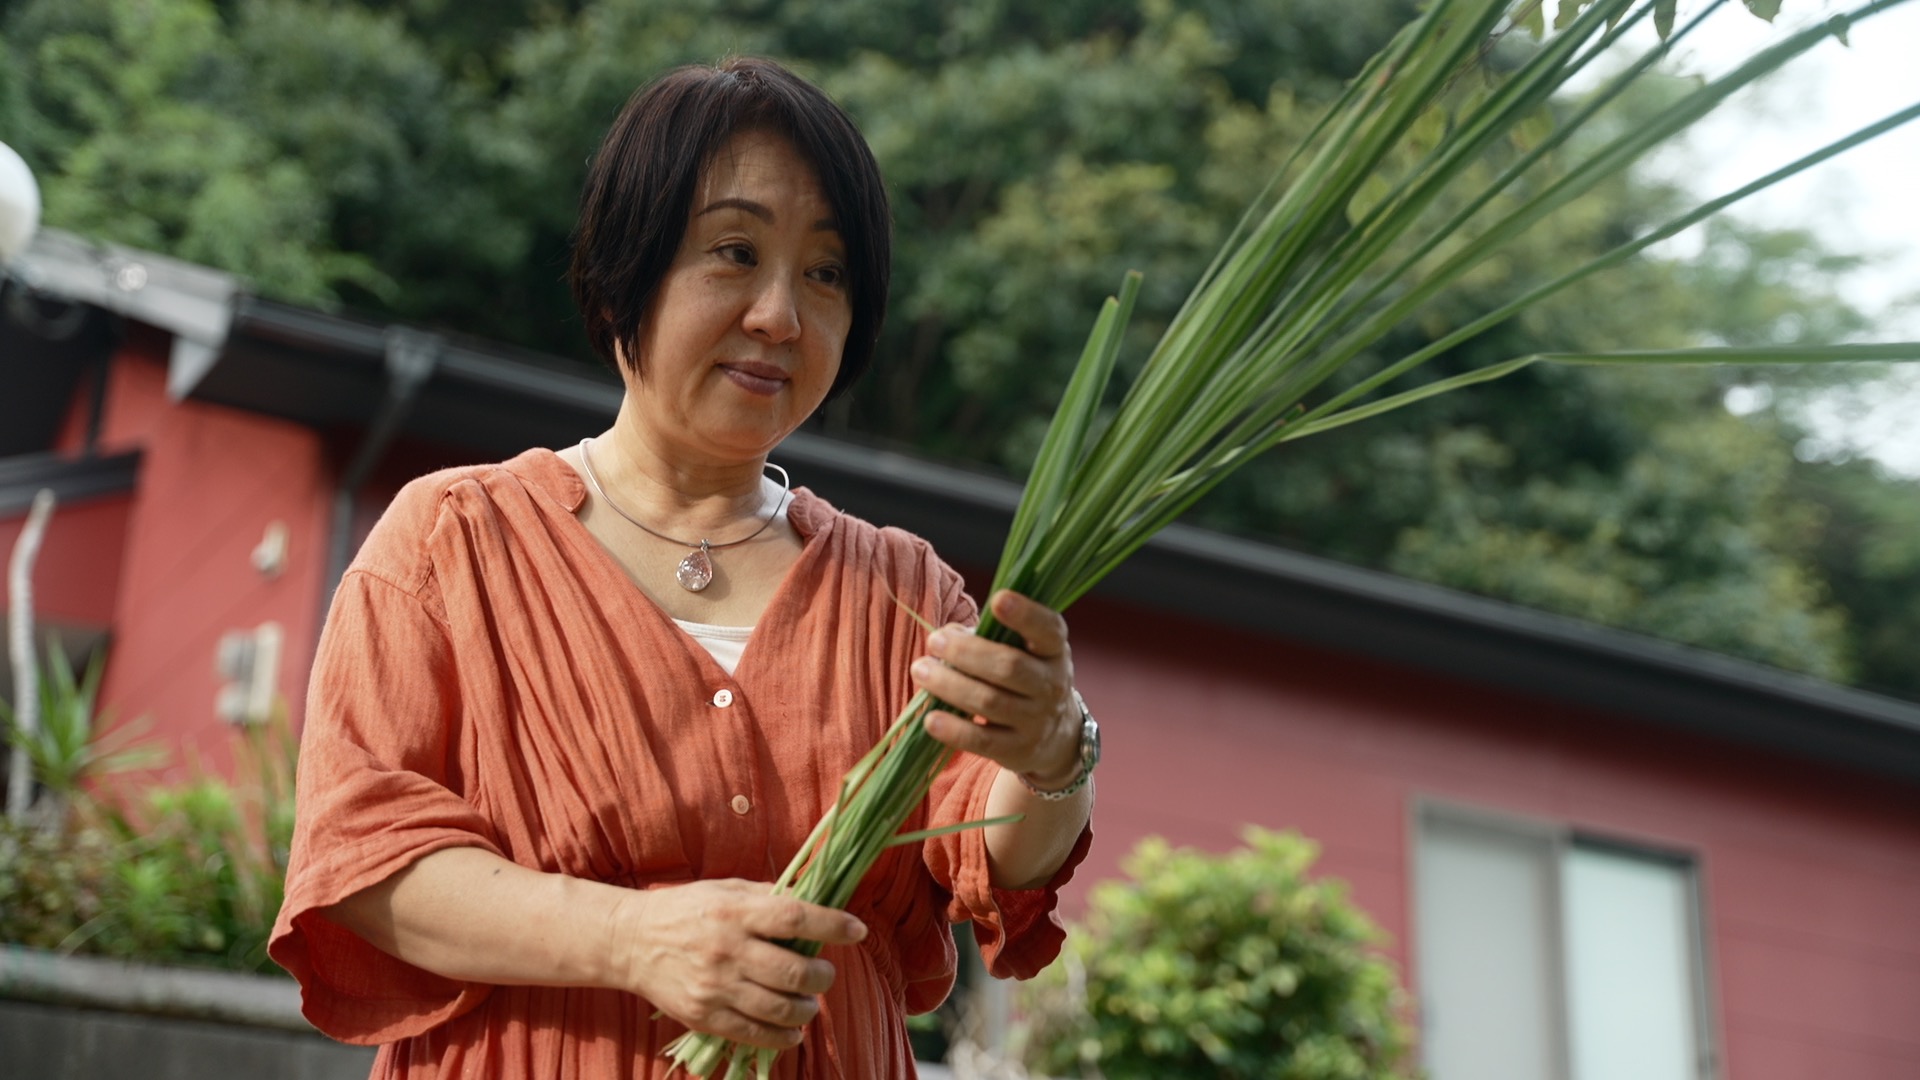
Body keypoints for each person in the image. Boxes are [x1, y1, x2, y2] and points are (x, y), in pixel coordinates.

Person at [268, 56, 1096, 1078]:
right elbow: (362, 864)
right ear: (630, 266)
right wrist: (630, 940)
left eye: (826, 274)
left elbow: (993, 846)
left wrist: (1057, 753)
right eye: (734, 252)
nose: (780, 316)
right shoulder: (452, 542)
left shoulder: (906, 593)